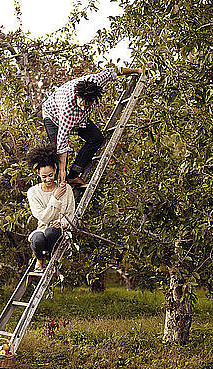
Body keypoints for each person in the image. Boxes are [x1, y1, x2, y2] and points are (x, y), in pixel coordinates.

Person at [42, 66, 143, 186]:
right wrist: (63, 169)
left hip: (80, 119)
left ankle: (73, 176)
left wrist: (136, 70)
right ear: (77, 96)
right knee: (58, 155)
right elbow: (62, 144)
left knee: (96, 139)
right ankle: (58, 186)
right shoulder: (67, 109)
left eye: (88, 105)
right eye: (83, 104)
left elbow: (113, 71)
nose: (85, 107)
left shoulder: (95, 82)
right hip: (53, 115)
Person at [25, 144, 75, 272]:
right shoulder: (33, 192)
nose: (48, 179)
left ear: (56, 169)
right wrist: (55, 197)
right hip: (43, 228)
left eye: (51, 175)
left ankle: (53, 260)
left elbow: (70, 214)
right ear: (38, 174)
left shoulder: (66, 189)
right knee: (37, 238)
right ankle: (39, 260)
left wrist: (62, 223)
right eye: (44, 177)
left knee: (51, 232)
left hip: (59, 232)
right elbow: (43, 217)